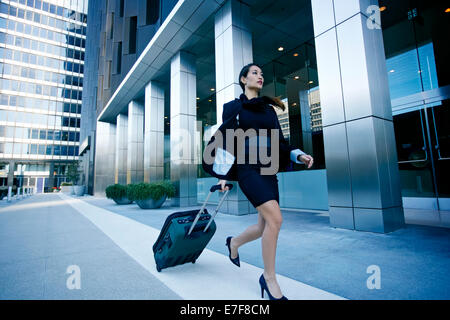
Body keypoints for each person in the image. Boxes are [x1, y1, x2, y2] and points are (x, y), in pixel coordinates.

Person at [217, 63, 314, 300]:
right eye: (254, 73)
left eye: (261, 73)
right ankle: (268, 278)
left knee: (264, 227)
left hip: (269, 169)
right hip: (247, 168)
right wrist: (222, 175)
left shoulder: (269, 110)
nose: (259, 76)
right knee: (276, 219)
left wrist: (297, 154)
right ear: (243, 79)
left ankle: (234, 243)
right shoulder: (233, 108)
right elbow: (227, 141)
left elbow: (280, 142)